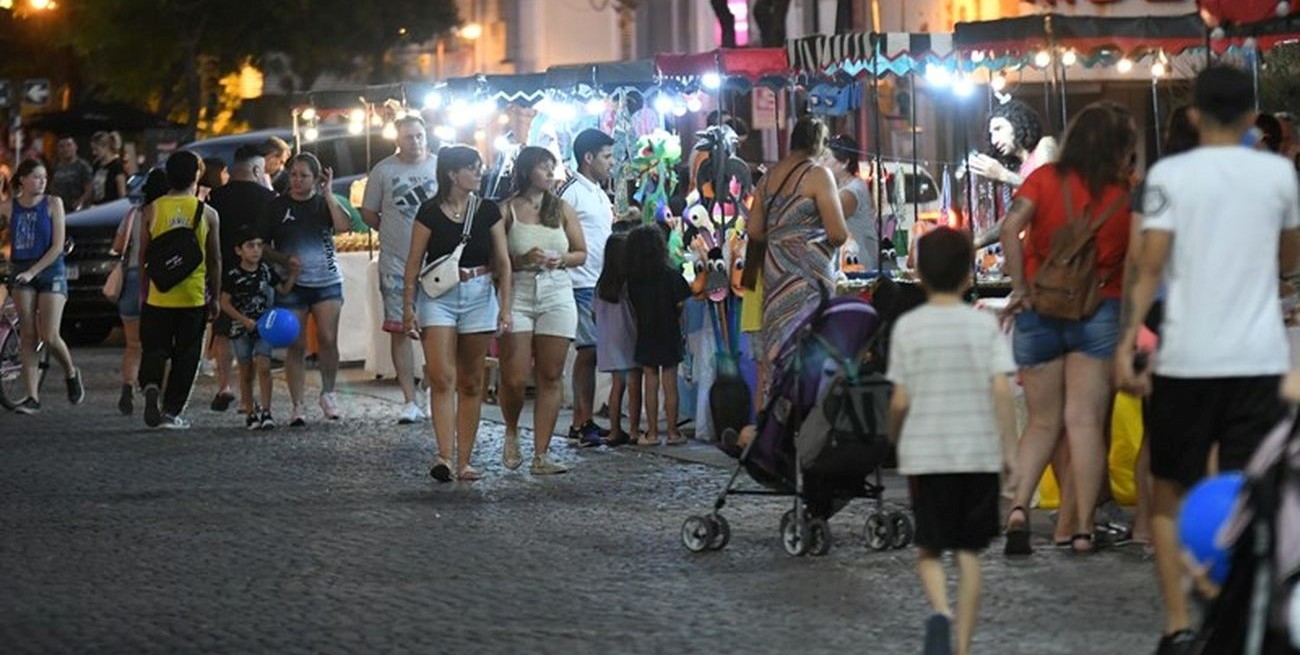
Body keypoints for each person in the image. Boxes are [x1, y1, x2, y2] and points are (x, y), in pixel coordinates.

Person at [1114, 65, 1300, 655]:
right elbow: (1288, 259)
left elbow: (1149, 265)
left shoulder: (1169, 175)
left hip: (1184, 358)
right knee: (1253, 493)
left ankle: (1178, 624)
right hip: (1257, 358)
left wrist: (1128, 341)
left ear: (1193, 115)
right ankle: (1236, 618)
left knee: (1170, 491)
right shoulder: (1278, 174)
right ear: (1250, 117)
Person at [998, 101, 1138, 556]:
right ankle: (1081, 530)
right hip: (1099, 312)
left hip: (1039, 307)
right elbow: (1138, 261)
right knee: (1084, 422)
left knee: (1042, 422)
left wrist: (1020, 287)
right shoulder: (1126, 193)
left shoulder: (1043, 179)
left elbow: (1010, 228)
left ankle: (1018, 510)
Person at [887, 227, 1018, 655]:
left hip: (927, 456)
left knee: (929, 549)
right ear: (967, 276)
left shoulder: (908, 328)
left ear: (920, 275)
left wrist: (894, 434)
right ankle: (961, 647)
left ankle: (941, 611)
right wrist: (1010, 451)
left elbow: (900, 399)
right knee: (969, 553)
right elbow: (1001, 391)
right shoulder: (983, 326)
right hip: (978, 454)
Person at [403, 144, 511, 482]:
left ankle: (464, 459)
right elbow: (413, 263)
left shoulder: (488, 210)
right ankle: (444, 456)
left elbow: (503, 262)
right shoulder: (429, 211)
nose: (479, 173)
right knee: (441, 377)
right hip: (438, 296)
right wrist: (407, 307)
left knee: (471, 380)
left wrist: (505, 306)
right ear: (452, 174)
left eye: (479, 167)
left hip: (479, 292)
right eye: (472, 168)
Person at [499, 146, 587, 474]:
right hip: (519, 292)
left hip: (556, 291)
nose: (551, 173)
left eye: (553, 167)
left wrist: (560, 259)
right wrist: (522, 260)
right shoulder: (506, 210)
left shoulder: (561, 208)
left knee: (551, 374)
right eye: (543, 167)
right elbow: (496, 260)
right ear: (526, 171)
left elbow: (580, 252)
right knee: (515, 377)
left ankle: (542, 454)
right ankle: (511, 430)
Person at [748, 115, 847, 403]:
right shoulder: (818, 175)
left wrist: (781, 237)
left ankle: (774, 415)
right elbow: (838, 233)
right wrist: (804, 238)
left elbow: (754, 230)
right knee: (811, 350)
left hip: (775, 275)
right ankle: (807, 415)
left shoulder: (768, 178)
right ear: (819, 143)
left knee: (777, 349)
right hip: (810, 278)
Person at [263, 152, 352, 426]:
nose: (297, 180)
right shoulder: (277, 207)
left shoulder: (324, 203)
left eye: (304, 175)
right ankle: (297, 403)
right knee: (296, 343)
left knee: (328, 338)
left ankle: (328, 392)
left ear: (316, 178)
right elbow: (262, 246)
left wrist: (329, 194)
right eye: (293, 175)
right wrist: (283, 259)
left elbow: (344, 227)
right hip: (292, 284)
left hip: (327, 281)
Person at [360, 115, 438, 425]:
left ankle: (430, 386)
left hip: (434, 263)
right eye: (409, 137)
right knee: (400, 330)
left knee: (435, 329)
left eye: (419, 135)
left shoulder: (439, 166)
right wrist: (390, 231)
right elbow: (368, 212)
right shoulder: (383, 171)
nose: (415, 142)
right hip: (395, 262)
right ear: (397, 140)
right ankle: (408, 399)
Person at [137, 151, 222, 429]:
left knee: (154, 347)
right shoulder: (207, 213)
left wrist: (143, 290)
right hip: (193, 296)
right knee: (187, 355)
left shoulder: (152, 210)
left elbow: (143, 256)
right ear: (196, 176)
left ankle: (151, 384)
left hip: (158, 295)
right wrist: (215, 296)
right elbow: (214, 260)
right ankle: (172, 412)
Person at [1, 159, 85, 415]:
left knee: (49, 335)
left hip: (50, 270)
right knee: (28, 334)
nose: (41, 182)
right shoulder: (9, 207)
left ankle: (71, 372)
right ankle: (32, 397)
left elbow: (58, 246)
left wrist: (32, 272)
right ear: (22, 179)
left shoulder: (53, 203)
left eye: (44, 178)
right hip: (21, 271)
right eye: (36, 177)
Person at [207, 145, 278, 414]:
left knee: (223, 331)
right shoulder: (268, 197)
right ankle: (250, 395)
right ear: (257, 170)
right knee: (256, 333)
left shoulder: (216, 196)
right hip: (258, 272)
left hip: (224, 269)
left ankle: (224, 385)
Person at [560, 128, 617, 446]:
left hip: (599, 280)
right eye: (607, 156)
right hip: (578, 280)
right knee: (588, 350)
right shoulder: (571, 193)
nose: (611, 162)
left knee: (593, 352)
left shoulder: (598, 192)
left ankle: (584, 420)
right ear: (588, 157)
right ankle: (581, 420)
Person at [220, 226, 297, 430]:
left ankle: (267, 410)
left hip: (265, 327)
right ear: (239, 250)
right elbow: (224, 302)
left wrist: (294, 275)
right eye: (250, 246)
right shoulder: (233, 275)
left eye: (258, 245)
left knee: (264, 367)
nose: (255, 250)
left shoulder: (266, 271)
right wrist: (243, 319)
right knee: (246, 372)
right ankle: (250, 412)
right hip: (240, 329)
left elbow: (283, 289)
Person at [624, 224, 692, 446]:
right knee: (670, 383)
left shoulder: (633, 280)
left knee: (650, 383)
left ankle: (652, 432)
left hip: (645, 333)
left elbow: (633, 309)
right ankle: (672, 432)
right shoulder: (671, 275)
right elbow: (681, 304)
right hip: (669, 331)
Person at [112, 168, 169, 415]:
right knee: (160, 345)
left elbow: (118, 246)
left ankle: (127, 387)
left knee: (133, 345)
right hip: (158, 282)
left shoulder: (133, 214)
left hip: (132, 281)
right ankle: (156, 392)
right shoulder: (167, 212)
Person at [970, 100, 1059, 249]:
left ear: (1017, 124)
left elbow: (1048, 193)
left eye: (998, 129)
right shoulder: (1018, 171)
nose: (994, 140)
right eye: (991, 134)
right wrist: (977, 242)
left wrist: (1003, 175)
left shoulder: (1045, 145)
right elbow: (1013, 219)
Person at [594, 228, 641, 447]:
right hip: (629, 338)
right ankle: (633, 430)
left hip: (609, 342)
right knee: (634, 385)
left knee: (617, 386)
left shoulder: (601, 285)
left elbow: (594, 314)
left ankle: (614, 430)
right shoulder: (629, 284)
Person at [825, 134, 878, 271]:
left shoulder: (853, 190)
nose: (822, 163)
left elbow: (828, 214)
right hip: (846, 260)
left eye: (826, 158)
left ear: (844, 163)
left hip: (859, 262)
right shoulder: (839, 186)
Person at [49, 136, 94, 213]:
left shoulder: (83, 166)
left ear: (76, 147)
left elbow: (90, 188)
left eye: (69, 145)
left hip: (78, 210)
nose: (65, 149)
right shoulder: (54, 167)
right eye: (61, 146)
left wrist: (81, 201)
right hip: (59, 209)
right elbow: (51, 187)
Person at [90, 131, 128, 205]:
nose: (94, 153)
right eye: (93, 150)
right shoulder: (96, 165)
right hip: (98, 206)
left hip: (112, 206)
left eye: (96, 149)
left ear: (106, 147)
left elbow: (122, 192)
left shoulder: (116, 165)